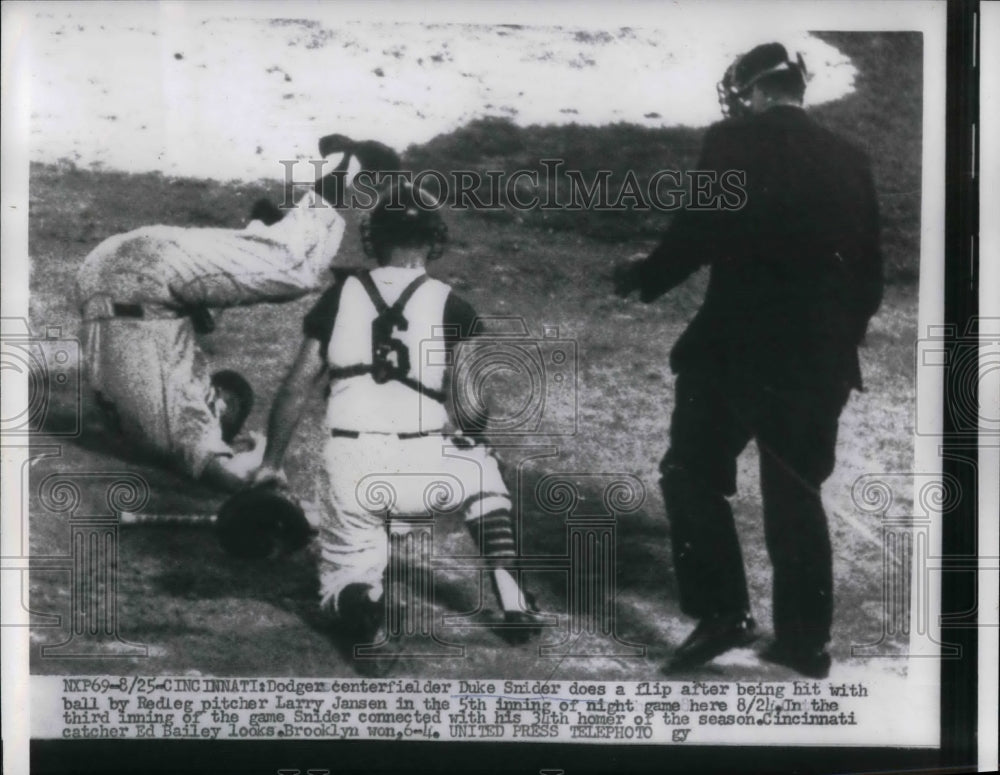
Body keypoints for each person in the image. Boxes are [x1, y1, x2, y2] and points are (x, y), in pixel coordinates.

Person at [614, 43, 883, 678]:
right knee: (797, 490)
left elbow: (696, 232)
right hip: (820, 359)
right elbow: (869, 274)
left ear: (755, 92)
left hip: (734, 349)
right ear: (797, 89)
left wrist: (642, 275)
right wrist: (832, 342)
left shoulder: (731, 143)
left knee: (692, 471)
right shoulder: (853, 158)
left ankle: (722, 614)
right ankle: (805, 641)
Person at [253, 178, 544, 649]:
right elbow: (472, 405)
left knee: (344, 575)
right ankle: (514, 603)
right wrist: (472, 437)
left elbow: (294, 387)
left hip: (351, 468)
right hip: (424, 471)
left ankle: (359, 600)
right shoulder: (453, 304)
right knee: (482, 469)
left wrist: (271, 464)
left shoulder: (339, 296)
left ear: (375, 239)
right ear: (433, 239)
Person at [75, 136, 400, 491]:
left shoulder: (175, 416)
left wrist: (258, 453)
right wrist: (260, 453)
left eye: (225, 406)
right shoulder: (177, 414)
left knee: (291, 271)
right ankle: (335, 175)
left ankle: (265, 229)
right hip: (125, 274)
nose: (223, 407)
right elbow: (240, 477)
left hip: (137, 276)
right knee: (293, 269)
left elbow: (239, 473)